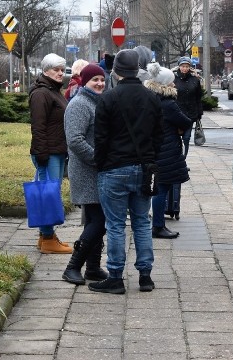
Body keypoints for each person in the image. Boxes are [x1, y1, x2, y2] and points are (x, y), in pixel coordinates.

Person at [91, 49, 163, 294]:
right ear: (137, 70)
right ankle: (145, 276)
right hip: (143, 168)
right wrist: (150, 160)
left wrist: (100, 164)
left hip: (114, 168)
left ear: (116, 71)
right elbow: (159, 136)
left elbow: (100, 139)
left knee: (115, 225)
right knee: (142, 222)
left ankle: (115, 276)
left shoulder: (108, 99)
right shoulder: (152, 98)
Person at [62, 63, 110, 284]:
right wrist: (98, 159)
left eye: (102, 79)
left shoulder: (97, 102)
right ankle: (73, 266)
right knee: (98, 221)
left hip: (97, 170)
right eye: (95, 80)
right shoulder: (80, 104)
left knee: (95, 219)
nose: (100, 83)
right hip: (86, 170)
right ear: (84, 82)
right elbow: (75, 140)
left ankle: (92, 268)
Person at [28, 53, 73, 254]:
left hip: (56, 150)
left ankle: (45, 236)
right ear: (45, 70)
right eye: (56, 69)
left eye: (62, 70)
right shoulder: (41, 93)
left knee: (48, 193)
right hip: (48, 151)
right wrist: (41, 153)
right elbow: (38, 126)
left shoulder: (53, 91)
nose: (60, 73)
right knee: (48, 195)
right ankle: (47, 239)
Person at [144, 62, 192, 239]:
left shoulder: (150, 98)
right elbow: (185, 121)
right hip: (167, 149)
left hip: (155, 148)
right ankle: (157, 226)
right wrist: (179, 128)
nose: (174, 84)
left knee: (157, 187)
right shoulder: (168, 104)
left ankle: (154, 224)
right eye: (171, 82)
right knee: (161, 188)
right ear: (164, 84)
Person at [174, 56, 203, 158]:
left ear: (189, 67)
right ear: (179, 67)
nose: (184, 68)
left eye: (186, 66)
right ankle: (178, 158)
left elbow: (198, 97)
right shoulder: (174, 79)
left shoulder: (194, 80)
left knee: (186, 138)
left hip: (191, 114)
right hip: (177, 113)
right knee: (176, 138)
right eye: (183, 66)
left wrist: (199, 113)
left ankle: (184, 158)